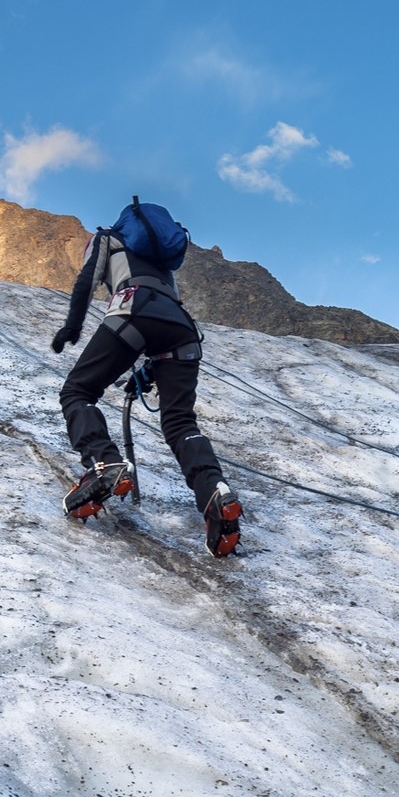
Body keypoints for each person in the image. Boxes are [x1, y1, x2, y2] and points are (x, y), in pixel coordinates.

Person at [51, 201, 242, 557]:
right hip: (182, 331)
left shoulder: (106, 238)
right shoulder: (163, 265)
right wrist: (147, 369)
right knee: (180, 422)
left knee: (78, 391)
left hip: (132, 310)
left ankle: (103, 464)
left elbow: (86, 281)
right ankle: (215, 491)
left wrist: (71, 327)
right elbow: (162, 325)